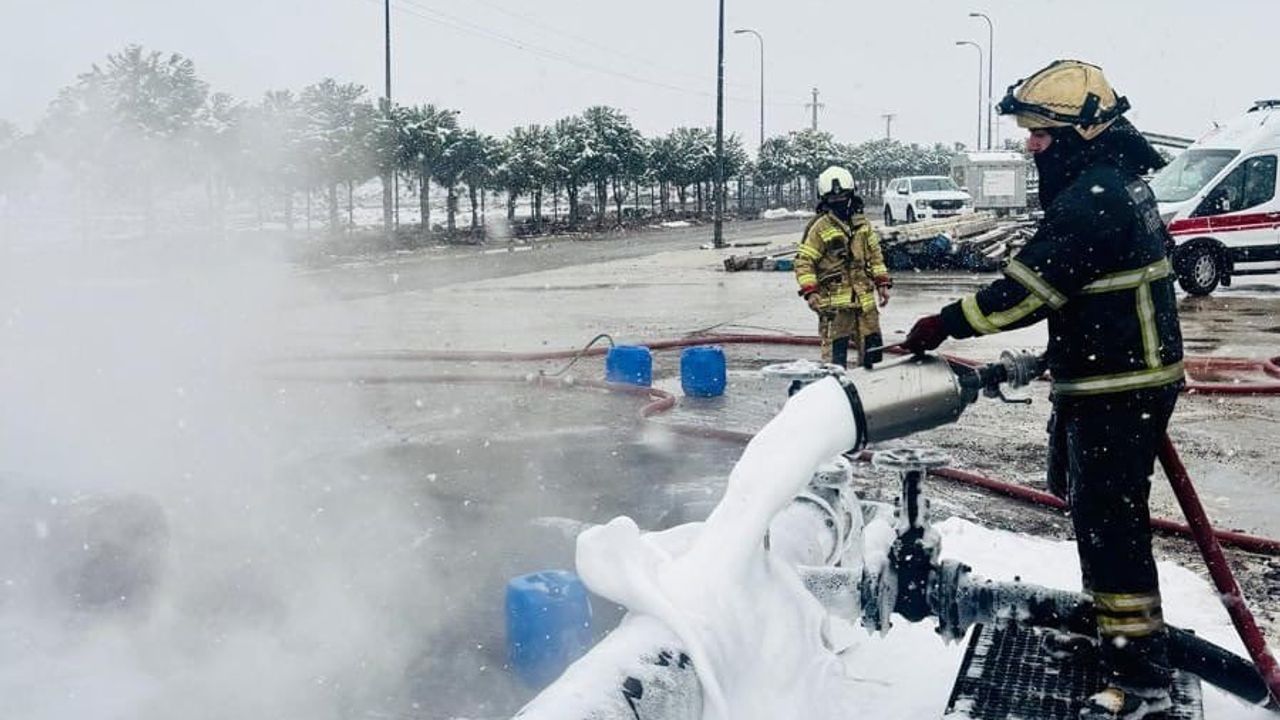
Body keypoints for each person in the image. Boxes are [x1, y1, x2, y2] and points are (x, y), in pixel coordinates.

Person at [902, 60, 1184, 719]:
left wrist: (943, 324)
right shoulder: (1111, 184)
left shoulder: (1095, 199)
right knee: (1100, 516)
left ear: (1085, 132)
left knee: (1112, 527)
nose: (1031, 144)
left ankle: (1139, 680)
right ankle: (1119, 642)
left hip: (1120, 386)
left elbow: (1027, 291)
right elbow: (1087, 293)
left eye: (1041, 132)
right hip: (1115, 377)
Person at [794, 165, 892, 369]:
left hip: (865, 303)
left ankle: (871, 395)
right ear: (824, 199)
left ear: (851, 194)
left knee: (873, 355)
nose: (839, 202)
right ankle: (836, 395)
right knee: (835, 363)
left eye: (843, 197)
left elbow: (875, 256)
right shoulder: (819, 227)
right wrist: (811, 292)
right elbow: (804, 262)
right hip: (835, 307)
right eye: (833, 199)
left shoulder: (862, 225)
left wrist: (882, 283)